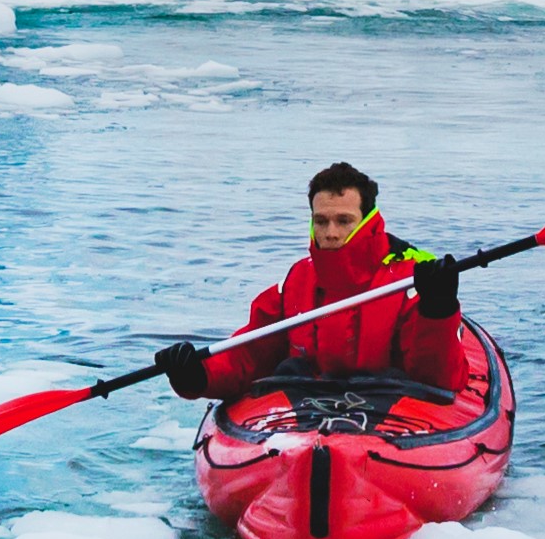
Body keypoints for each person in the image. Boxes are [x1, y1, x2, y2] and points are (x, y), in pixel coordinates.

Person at [155, 162, 465, 401]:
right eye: (321, 221)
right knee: (289, 370)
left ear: (367, 222)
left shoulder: (410, 285)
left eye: (344, 221)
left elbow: (437, 380)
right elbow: (247, 357)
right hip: (307, 417)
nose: (331, 233)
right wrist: (195, 374)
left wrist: (438, 310)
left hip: (390, 411)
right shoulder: (295, 282)